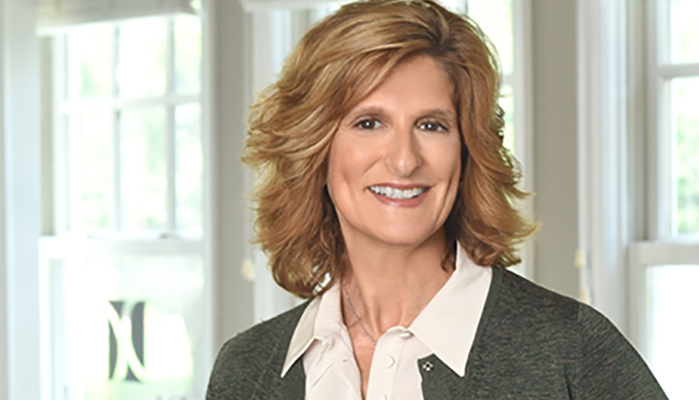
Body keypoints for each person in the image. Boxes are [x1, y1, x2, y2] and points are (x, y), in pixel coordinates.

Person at [206, 0, 668, 399]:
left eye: (432, 125)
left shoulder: (571, 349)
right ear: (315, 149)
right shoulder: (247, 370)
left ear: (466, 151)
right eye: (369, 123)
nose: (404, 160)